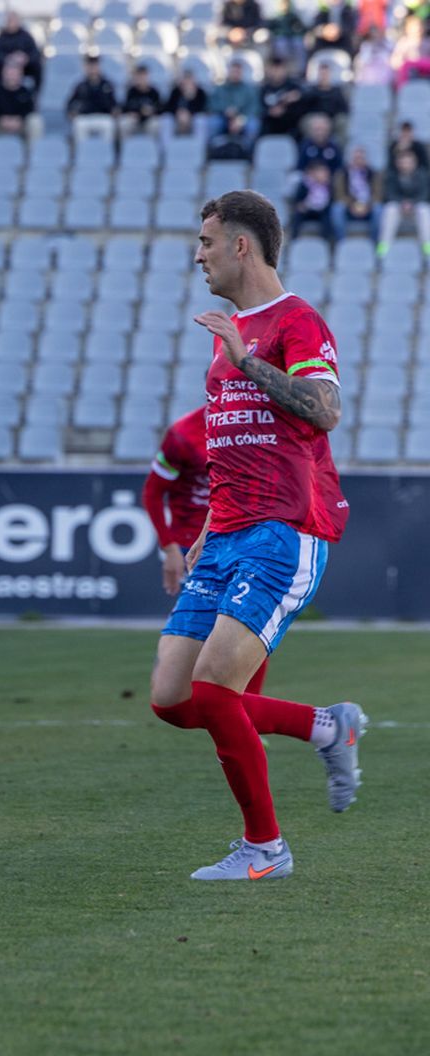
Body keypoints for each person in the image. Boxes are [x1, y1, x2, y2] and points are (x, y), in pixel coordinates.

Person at [150, 190, 361, 882]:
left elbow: (325, 411)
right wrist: (201, 537)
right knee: (175, 700)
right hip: (228, 534)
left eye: (207, 241)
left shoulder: (297, 322)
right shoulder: (227, 341)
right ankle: (327, 726)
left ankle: (265, 848)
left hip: (285, 530)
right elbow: (226, 455)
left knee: (215, 693)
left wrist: (246, 360)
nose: (199, 254)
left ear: (242, 244)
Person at [142, 405, 269, 696]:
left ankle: (249, 714)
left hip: (242, 538)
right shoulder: (183, 435)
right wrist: (170, 546)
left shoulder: (261, 426)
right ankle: (177, 689)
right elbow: (152, 491)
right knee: (197, 637)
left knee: (250, 629)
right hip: (195, 547)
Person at [376, 147, 430, 257]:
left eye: (408, 162)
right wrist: (402, 203)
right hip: (398, 208)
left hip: (416, 208)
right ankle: (383, 250)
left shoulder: (423, 175)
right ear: (397, 163)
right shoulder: (391, 175)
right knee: (389, 209)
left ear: (414, 163)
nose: (405, 164)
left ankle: (427, 249)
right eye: (402, 162)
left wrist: (412, 203)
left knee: (424, 210)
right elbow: (388, 194)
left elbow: (424, 194)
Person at [0, 58, 42, 146]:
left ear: (20, 75)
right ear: (4, 74)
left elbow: (30, 110)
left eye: (15, 73)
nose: (12, 76)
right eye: (10, 72)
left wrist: (19, 120)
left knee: (36, 121)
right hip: (0, 125)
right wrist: (2, 120)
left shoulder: (25, 92)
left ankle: (33, 154)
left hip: (21, 125)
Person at [66, 53, 120, 141]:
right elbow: (70, 103)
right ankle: (81, 152)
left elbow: (114, 103)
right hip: (85, 116)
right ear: (86, 67)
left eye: (95, 66)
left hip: (103, 116)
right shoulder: (80, 85)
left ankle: (106, 152)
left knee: (109, 125)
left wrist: (115, 110)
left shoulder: (107, 85)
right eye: (90, 66)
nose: (92, 69)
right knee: (78, 124)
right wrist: (71, 112)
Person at [0, 10, 41, 90]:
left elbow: (35, 53)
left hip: (24, 67)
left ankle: (34, 94)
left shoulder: (26, 36)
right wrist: (9, 59)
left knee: (37, 67)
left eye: (14, 20)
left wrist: (25, 58)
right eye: (9, 20)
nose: (11, 22)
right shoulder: (1, 37)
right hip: (5, 66)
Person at [333, 145, 379, 237]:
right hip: (349, 206)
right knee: (337, 209)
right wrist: (352, 205)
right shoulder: (342, 174)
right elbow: (339, 194)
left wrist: (367, 206)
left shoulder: (374, 174)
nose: (358, 161)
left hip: (368, 205)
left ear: (366, 159)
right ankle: (342, 242)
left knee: (379, 209)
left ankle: (376, 245)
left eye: (361, 158)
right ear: (351, 159)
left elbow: (377, 195)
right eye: (356, 158)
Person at [258, 57, 308, 140]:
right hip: (269, 124)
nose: (276, 72)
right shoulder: (264, 88)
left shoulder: (293, 86)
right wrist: (269, 112)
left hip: (290, 124)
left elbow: (305, 99)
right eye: (274, 69)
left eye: (279, 69)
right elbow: (259, 108)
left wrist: (295, 97)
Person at [288, 161, 339, 241]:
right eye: (322, 172)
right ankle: (294, 240)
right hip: (307, 209)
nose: (325, 174)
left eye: (325, 172)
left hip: (322, 210)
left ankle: (325, 242)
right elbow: (297, 200)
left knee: (328, 217)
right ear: (315, 173)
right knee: (297, 215)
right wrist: (300, 206)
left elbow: (333, 201)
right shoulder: (305, 184)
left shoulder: (330, 186)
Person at [210, 59, 261, 138]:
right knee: (214, 122)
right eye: (233, 72)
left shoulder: (249, 90)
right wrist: (225, 111)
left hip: (243, 119)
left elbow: (254, 108)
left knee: (253, 124)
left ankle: (248, 149)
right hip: (223, 118)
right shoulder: (220, 89)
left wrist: (241, 119)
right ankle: (213, 148)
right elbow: (212, 105)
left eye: (238, 72)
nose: (235, 74)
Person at [301, 63, 349, 141]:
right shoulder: (311, 91)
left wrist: (328, 119)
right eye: (322, 74)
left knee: (343, 121)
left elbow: (344, 109)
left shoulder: (337, 92)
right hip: (315, 119)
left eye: (326, 74)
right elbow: (304, 109)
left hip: (332, 119)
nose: (324, 77)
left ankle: (339, 149)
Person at [119, 64, 164, 137]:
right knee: (123, 123)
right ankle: (125, 148)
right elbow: (126, 106)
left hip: (149, 120)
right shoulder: (131, 91)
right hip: (134, 120)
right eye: (139, 76)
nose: (142, 79)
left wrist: (151, 111)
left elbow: (160, 107)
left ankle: (153, 148)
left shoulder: (154, 92)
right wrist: (132, 112)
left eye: (144, 76)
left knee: (155, 124)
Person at [296, 113, 342, 177]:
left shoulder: (334, 147)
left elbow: (339, 170)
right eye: (317, 129)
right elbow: (300, 169)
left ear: (328, 130)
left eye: (322, 129)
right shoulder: (305, 146)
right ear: (311, 130)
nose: (320, 133)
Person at [166, 68, 210, 134]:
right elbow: (168, 107)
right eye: (185, 79)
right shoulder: (175, 92)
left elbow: (204, 108)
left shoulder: (200, 93)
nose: (187, 82)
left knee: (200, 120)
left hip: (193, 119)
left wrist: (190, 112)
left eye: (189, 80)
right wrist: (178, 112)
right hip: (177, 119)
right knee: (166, 120)